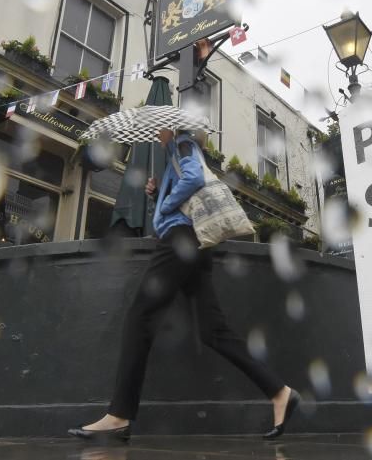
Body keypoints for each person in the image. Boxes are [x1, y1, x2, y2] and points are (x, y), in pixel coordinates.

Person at [69, 128, 299, 442]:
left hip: (181, 240)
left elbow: (192, 180)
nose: (156, 134)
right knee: (213, 330)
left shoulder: (182, 143)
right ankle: (279, 392)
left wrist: (163, 207)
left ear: (169, 127)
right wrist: (157, 192)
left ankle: (119, 415)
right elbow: (185, 184)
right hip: (197, 243)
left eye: (158, 130)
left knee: (140, 317)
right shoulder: (177, 153)